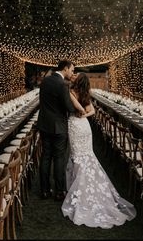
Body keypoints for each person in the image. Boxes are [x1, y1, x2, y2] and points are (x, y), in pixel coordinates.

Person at [61, 73, 137, 228]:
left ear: (78, 81)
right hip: (84, 126)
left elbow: (81, 109)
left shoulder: (71, 92)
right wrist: (84, 115)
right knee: (85, 157)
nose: (73, 76)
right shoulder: (85, 93)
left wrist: (80, 113)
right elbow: (92, 112)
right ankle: (78, 188)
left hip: (76, 126)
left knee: (77, 156)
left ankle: (78, 191)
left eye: (76, 76)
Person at [37, 60, 86, 201]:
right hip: (59, 126)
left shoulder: (45, 81)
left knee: (46, 157)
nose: (72, 73)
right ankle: (59, 191)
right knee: (59, 158)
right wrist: (77, 106)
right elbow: (69, 108)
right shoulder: (62, 84)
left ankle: (44, 190)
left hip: (44, 124)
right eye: (71, 70)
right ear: (65, 69)